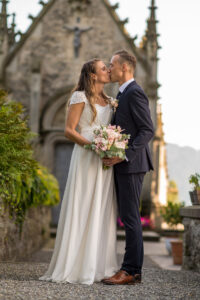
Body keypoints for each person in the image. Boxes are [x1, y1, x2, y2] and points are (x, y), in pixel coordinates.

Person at [39, 59, 118, 285]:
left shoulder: (112, 102)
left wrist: (112, 147)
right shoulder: (79, 97)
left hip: (104, 162)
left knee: (102, 208)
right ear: (93, 75)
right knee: (83, 204)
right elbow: (68, 131)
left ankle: (98, 265)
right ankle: (76, 265)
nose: (108, 70)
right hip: (86, 157)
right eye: (104, 68)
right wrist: (93, 146)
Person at [102, 50, 154, 285]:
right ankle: (131, 269)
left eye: (112, 65)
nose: (109, 68)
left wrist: (124, 155)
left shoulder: (134, 93)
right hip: (125, 164)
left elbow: (147, 130)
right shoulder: (122, 93)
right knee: (128, 217)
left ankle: (131, 271)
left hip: (132, 165)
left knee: (131, 219)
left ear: (124, 68)